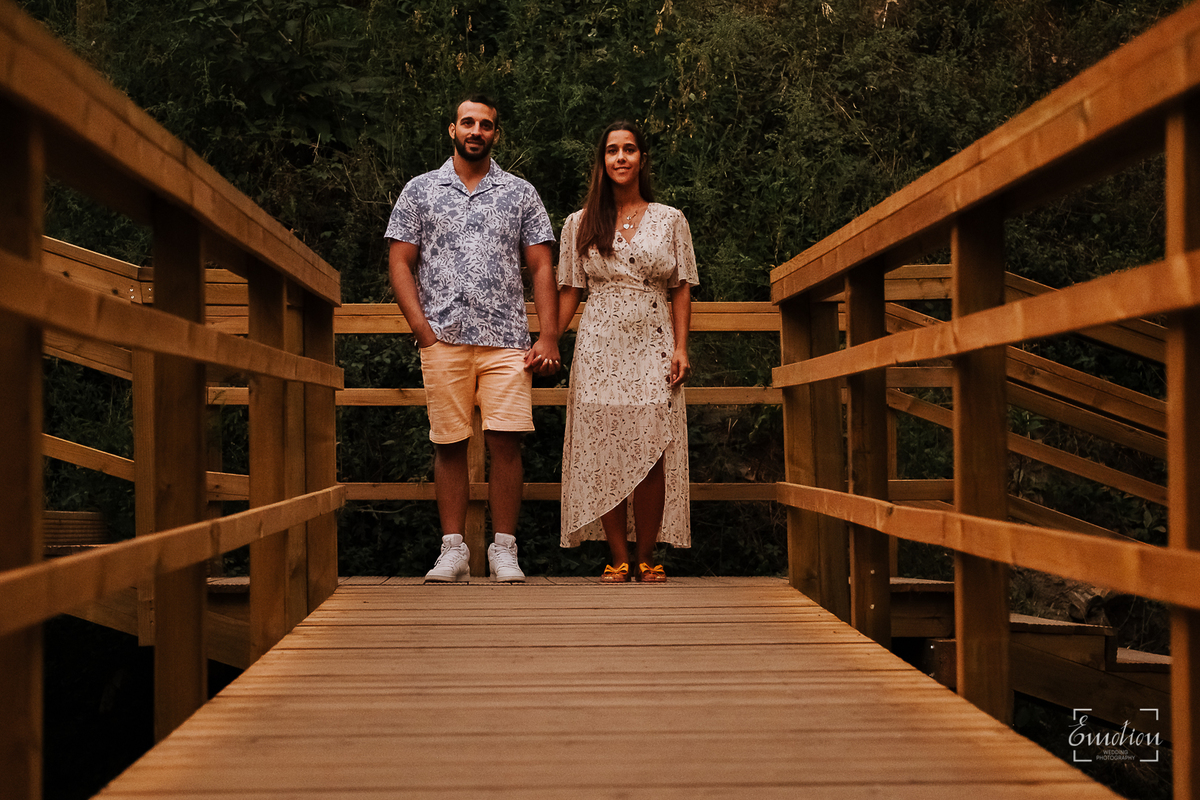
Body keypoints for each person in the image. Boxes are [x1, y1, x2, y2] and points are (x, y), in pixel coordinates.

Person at [385, 94, 560, 583]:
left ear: (496, 135)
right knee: (448, 442)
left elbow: (542, 264)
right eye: (468, 122)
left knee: (507, 442)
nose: (476, 130)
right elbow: (400, 260)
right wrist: (421, 330)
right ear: (452, 129)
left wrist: (548, 335)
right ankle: (453, 549)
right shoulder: (420, 190)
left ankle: (504, 549)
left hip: (507, 338)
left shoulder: (520, 192)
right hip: (443, 336)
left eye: (485, 124)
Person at [556, 120, 698, 583]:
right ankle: (617, 556)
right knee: (605, 446)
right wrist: (548, 340)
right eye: (612, 150)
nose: (621, 158)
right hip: (599, 342)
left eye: (630, 150)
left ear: (642, 159)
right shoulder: (579, 223)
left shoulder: (670, 219)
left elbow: (681, 288)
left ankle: (647, 555)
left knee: (652, 445)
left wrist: (681, 347)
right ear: (602, 161)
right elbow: (571, 291)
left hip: (653, 339)